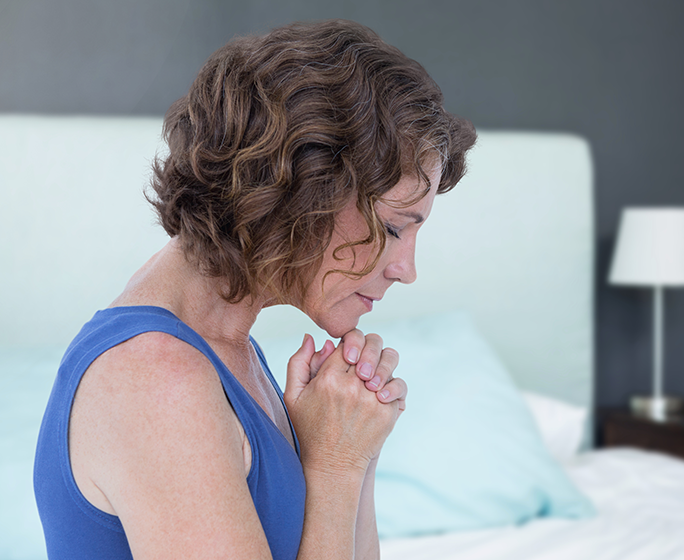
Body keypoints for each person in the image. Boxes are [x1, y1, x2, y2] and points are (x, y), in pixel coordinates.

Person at [33, 19, 476, 560]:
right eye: (392, 227)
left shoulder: (227, 347)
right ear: (304, 189)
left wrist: (354, 451)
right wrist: (333, 469)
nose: (406, 269)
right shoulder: (156, 380)